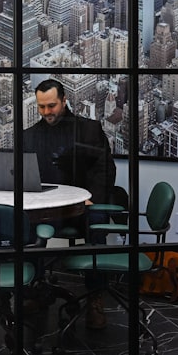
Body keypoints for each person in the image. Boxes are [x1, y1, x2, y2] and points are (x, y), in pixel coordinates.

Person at [23, 78, 115, 328]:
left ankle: (95, 297)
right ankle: (34, 288)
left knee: (97, 223)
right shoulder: (30, 136)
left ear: (64, 100)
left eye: (51, 106)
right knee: (24, 224)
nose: (46, 113)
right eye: (41, 107)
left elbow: (105, 169)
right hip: (46, 208)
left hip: (82, 207)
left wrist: (91, 199)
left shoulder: (89, 129)